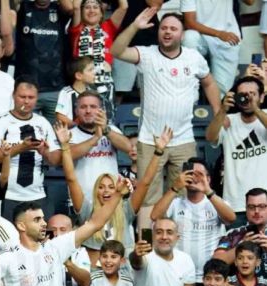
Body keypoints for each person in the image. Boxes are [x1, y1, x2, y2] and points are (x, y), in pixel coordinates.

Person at [111, 8, 221, 228]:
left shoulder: (194, 57)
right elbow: (116, 50)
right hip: (150, 140)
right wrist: (135, 26)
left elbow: (209, 82)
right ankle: (145, 245)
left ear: (182, 33)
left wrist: (218, 111)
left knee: (182, 199)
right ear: (158, 31)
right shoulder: (147, 55)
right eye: (164, 28)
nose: (168, 32)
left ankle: (177, 245)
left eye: (173, 28)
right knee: (146, 198)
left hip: (184, 140)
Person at [57, 121, 168, 266]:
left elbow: (145, 182)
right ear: (96, 191)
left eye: (111, 187)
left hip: (123, 271)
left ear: (117, 189)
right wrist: (65, 146)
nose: (106, 191)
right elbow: (71, 179)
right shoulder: (87, 210)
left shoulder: (126, 209)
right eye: (101, 187)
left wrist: (158, 151)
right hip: (93, 273)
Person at [0, 75, 60, 220]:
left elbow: (56, 160)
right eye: (22, 96)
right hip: (6, 195)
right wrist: (21, 148)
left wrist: (45, 152)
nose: (26, 101)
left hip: (37, 195)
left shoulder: (43, 123)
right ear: (13, 96)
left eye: (31, 97)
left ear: (37, 98)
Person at [151, 158, 235, 286]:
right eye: (190, 173)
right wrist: (175, 187)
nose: (194, 178)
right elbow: (154, 216)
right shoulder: (175, 203)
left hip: (211, 277)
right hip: (180, 274)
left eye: (199, 174)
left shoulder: (216, 203)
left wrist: (208, 191)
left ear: (208, 179)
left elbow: (231, 219)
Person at [206, 76, 267, 224]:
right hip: (234, 203)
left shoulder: (264, 116)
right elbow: (210, 137)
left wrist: (256, 109)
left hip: (264, 204)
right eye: (243, 94)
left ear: (262, 97)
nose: (248, 98)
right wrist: (222, 111)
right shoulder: (229, 120)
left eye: (252, 94)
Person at [51, 90, 131, 201]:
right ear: (76, 111)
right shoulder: (68, 134)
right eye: (83, 107)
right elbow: (66, 156)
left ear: (101, 110)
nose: (88, 111)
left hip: (111, 199)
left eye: (93, 107)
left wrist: (105, 130)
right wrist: (95, 138)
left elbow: (128, 147)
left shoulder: (111, 130)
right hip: (83, 200)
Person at [14, 0, 73, 123]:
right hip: (27, 89)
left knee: (56, 132)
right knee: (26, 130)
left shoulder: (59, 10)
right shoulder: (24, 7)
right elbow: (13, 3)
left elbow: (71, 8)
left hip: (56, 89)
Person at [68, 0, 127, 121]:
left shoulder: (108, 27)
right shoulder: (77, 28)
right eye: (87, 7)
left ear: (101, 13)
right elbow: (76, 6)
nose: (91, 10)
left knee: (105, 119)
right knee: (82, 118)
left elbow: (124, 6)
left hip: (104, 82)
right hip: (83, 81)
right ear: (82, 12)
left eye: (95, 7)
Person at [180, 0, 243, 96]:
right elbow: (189, 23)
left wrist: (221, 35)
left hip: (227, 38)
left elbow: (250, 2)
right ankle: (191, 79)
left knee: (222, 94)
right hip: (201, 36)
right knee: (189, 37)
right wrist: (218, 34)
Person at [214, 188, 267, 281]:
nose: (256, 211)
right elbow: (215, 264)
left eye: (262, 206)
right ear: (246, 209)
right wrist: (240, 246)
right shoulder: (233, 234)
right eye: (251, 207)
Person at [55, 56, 97, 126]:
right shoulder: (66, 93)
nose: (94, 72)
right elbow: (60, 116)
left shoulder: (92, 91)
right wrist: (77, 127)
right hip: (73, 131)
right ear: (78, 76)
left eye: (94, 69)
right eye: (90, 70)